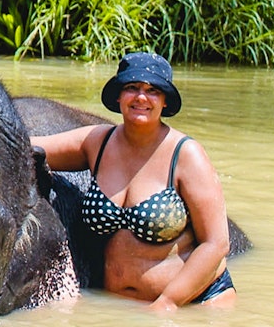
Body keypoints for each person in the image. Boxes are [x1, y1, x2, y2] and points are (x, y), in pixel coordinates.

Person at [33, 52, 235, 311]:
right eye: (132, 87)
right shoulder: (97, 143)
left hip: (193, 306)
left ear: (164, 101)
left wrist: (167, 304)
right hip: (119, 306)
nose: (141, 97)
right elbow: (24, 146)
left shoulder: (186, 154)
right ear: (118, 96)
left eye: (153, 90)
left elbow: (216, 243)